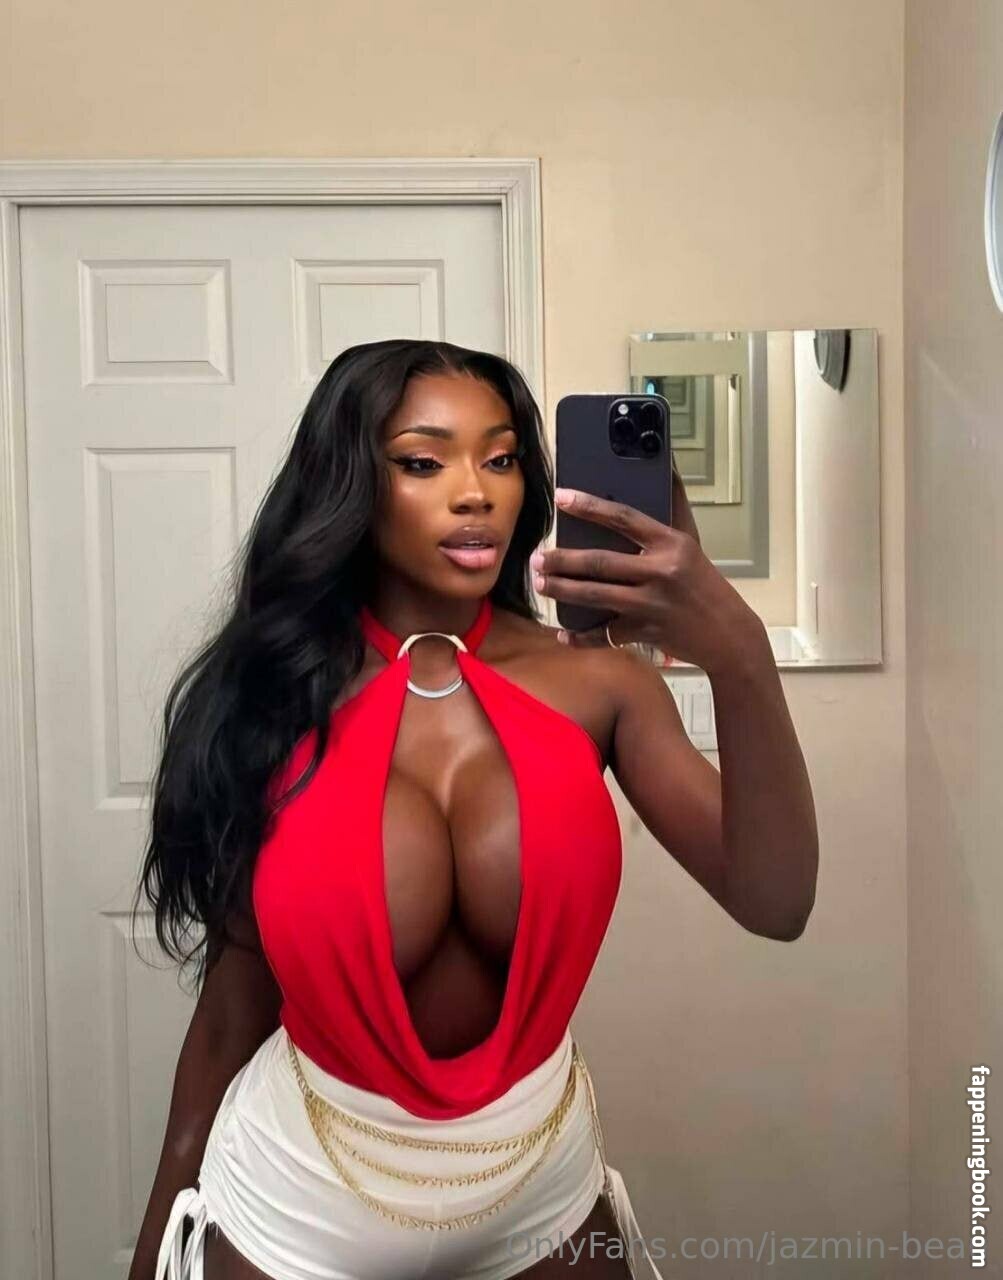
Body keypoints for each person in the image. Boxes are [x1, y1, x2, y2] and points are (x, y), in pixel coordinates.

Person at [128, 338, 818, 1280]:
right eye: (424, 462)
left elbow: (776, 902)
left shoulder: (600, 687)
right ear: (350, 485)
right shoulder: (272, 700)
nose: (474, 494)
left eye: (499, 459)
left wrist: (737, 651)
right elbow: (231, 1005)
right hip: (303, 1193)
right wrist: (155, 1238)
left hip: (534, 1183)